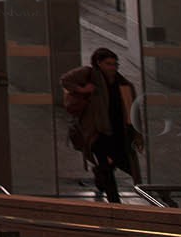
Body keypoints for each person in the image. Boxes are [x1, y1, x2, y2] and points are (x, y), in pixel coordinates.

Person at [61, 46, 142, 203]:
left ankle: (100, 176)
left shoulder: (124, 84)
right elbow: (65, 80)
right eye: (108, 64)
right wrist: (82, 89)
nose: (112, 68)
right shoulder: (89, 74)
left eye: (115, 64)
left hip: (118, 131)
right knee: (106, 165)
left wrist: (137, 134)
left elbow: (132, 111)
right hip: (97, 131)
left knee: (124, 164)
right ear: (98, 63)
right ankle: (114, 201)